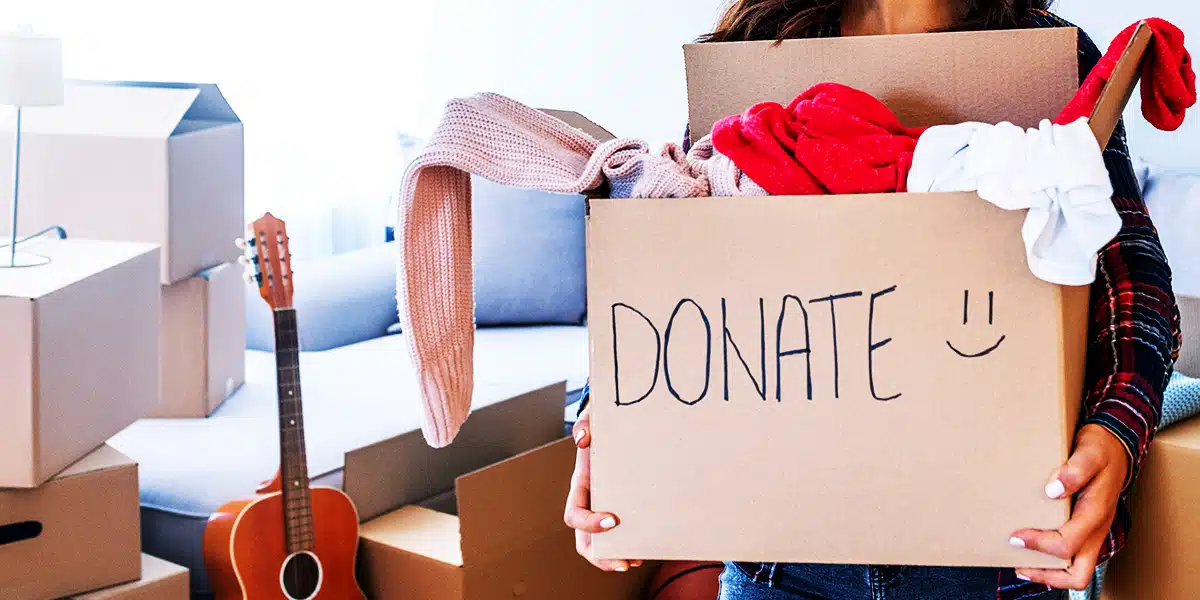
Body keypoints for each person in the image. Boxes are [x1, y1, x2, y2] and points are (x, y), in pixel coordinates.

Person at [563, 1, 1183, 599]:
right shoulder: (754, 47)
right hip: (781, 564)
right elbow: (677, 260)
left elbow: (1133, 278)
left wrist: (1116, 432)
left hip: (997, 564)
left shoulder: (1049, 52)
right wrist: (610, 428)